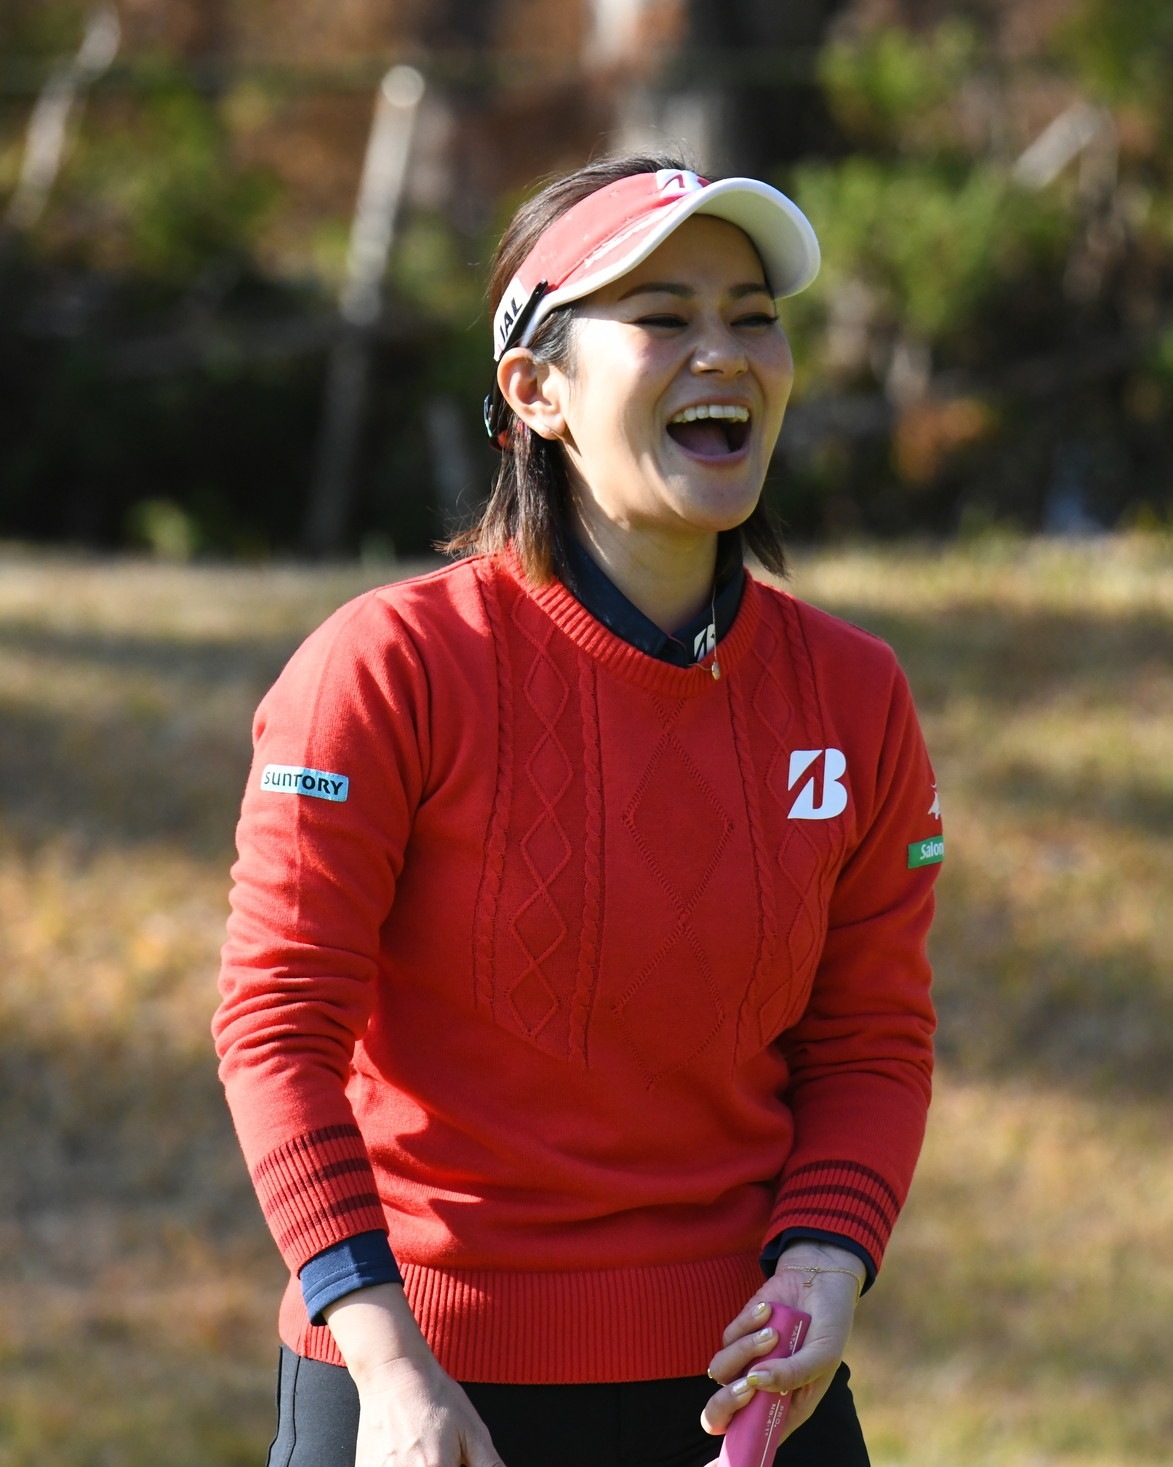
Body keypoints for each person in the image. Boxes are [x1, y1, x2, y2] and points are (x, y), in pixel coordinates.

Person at [212, 154, 942, 1467]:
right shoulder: (383, 669)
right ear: (534, 390)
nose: (724, 350)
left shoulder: (855, 694)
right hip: (420, 1390)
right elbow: (276, 1030)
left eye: (753, 315)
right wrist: (389, 1366)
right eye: (663, 316)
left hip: (746, 1383)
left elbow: (870, 1040)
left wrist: (827, 1265)